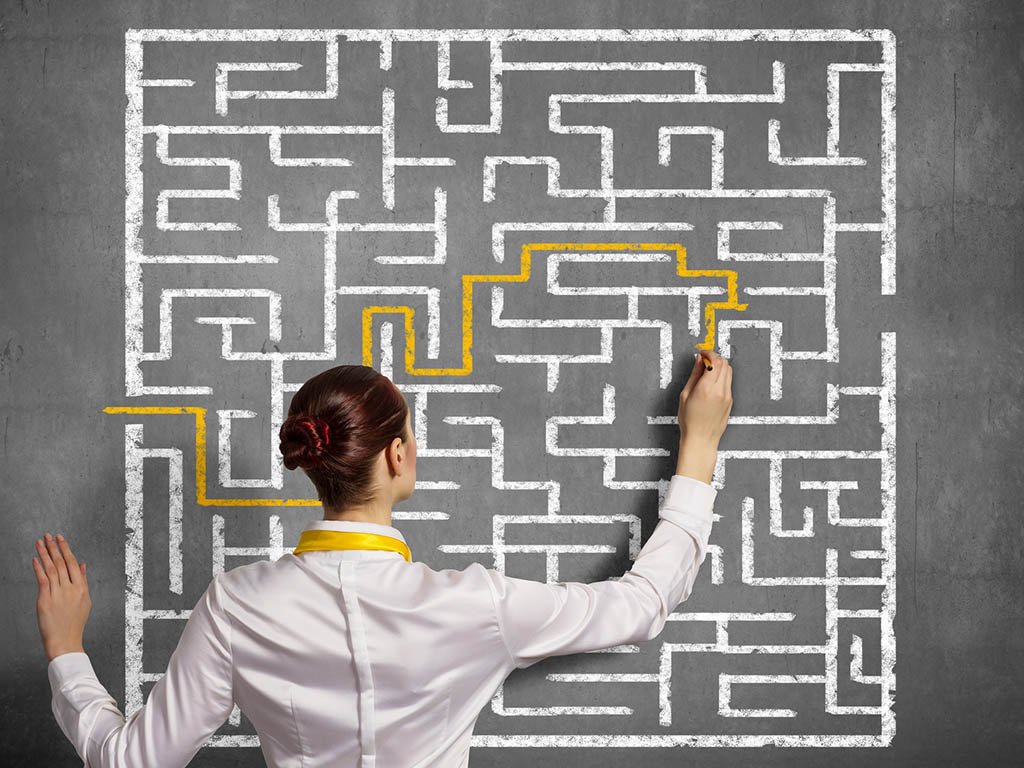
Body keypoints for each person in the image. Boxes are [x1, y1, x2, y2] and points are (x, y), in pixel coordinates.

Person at [35, 349, 733, 767]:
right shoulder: (476, 606)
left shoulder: (235, 605)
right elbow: (641, 605)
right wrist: (697, 447)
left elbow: (134, 761)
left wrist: (67, 650)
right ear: (398, 455)